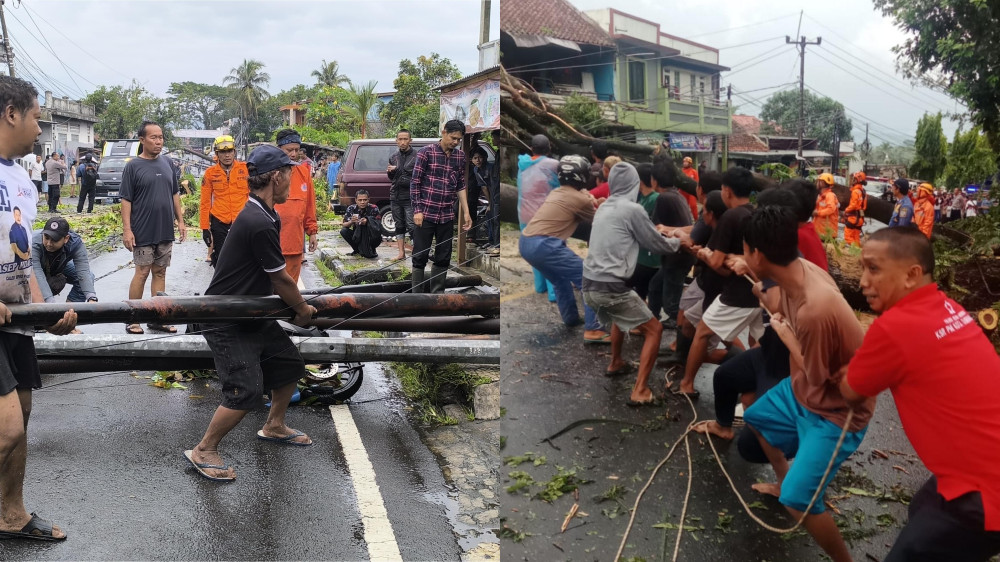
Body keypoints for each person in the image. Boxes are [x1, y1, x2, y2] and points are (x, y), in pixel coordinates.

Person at [840, 227, 1000, 561]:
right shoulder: (948, 307)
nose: (863, 282)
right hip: (978, 468)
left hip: (985, 492)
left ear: (912, 274)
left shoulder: (894, 327)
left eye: (874, 269)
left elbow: (851, 392)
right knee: (922, 505)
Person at [740, 205, 874, 562]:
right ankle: (787, 480)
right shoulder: (797, 271)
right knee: (755, 416)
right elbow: (775, 300)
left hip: (836, 412)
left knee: (799, 500)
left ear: (758, 253)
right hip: (803, 392)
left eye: (744, 249)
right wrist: (758, 291)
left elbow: (817, 376)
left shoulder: (816, 309)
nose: (743, 255)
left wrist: (786, 338)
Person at [185, 144, 318, 482]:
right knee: (245, 388)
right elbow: (279, 276)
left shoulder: (263, 213)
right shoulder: (257, 219)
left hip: (252, 311)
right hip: (226, 316)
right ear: (276, 175)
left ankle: (274, 425)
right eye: (289, 172)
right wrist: (302, 310)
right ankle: (204, 450)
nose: (292, 178)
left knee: (289, 366)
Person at [0, 74, 78, 542]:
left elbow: (23, 258)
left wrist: (47, 312)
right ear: (11, 113)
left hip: (13, 319)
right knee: (6, 427)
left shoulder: (21, 179)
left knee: (21, 417)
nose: (39, 127)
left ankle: (11, 515)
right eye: (35, 116)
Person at [582, 162, 682, 405]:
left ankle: (616, 362)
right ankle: (640, 391)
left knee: (619, 315)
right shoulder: (632, 209)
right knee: (655, 329)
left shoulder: (604, 208)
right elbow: (655, 244)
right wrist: (679, 242)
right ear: (634, 184)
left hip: (589, 286)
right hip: (610, 288)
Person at [675, 167, 762, 398]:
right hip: (761, 292)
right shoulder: (755, 213)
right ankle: (757, 388)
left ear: (726, 191)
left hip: (738, 293)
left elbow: (716, 262)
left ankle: (687, 384)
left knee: (702, 332)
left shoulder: (731, 216)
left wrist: (702, 254)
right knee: (758, 342)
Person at [521, 155, 604, 339]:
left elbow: (581, 197)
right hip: (544, 245)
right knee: (589, 278)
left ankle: (571, 318)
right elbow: (597, 219)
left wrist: (590, 199)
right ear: (581, 176)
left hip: (526, 242)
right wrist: (600, 204)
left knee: (559, 279)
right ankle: (594, 329)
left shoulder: (557, 192)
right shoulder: (580, 200)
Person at [120, 120, 187, 335]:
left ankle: (157, 319)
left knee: (160, 272)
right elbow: (126, 200)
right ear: (142, 140)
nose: (159, 142)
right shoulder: (133, 166)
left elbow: (175, 194)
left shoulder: (167, 163)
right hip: (142, 231)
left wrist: (181, 221)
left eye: (161, 137)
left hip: (164, 230)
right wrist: (127, 230)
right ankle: (133, 318)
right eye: (154, 137)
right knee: (142, 272)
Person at [410, 119, 472, 293]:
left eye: (459, 140)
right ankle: (416, 296)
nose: (455, 142)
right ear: (444, 132)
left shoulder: (459, 157)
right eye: (453, 138)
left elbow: (460, 184)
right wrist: (417, 210)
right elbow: (415, 183)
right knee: (420, 254)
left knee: (444, 255)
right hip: (425, 213)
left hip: (446, 213)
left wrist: (466, 212)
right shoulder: (426, 153)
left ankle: (437, 295)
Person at [517, 134, 560, 302]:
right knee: (550, 253)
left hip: (524, 216)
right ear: (549, 149)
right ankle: (554, 293)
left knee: (535, 252)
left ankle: (540, 286)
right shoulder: (553, 165)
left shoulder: (522, 164)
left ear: (531, 149)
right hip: (546, 217)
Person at [273, 129, 319, 283]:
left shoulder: (303, 173)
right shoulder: (269, 173)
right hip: (271, 244)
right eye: (289, 150)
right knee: (270, 290)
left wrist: (312, 232)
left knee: (290, 286)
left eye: (297, 150)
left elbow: (309, 206)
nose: (293, 154)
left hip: (294, 243)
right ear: (279, 149)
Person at [199, 135, 249, 267]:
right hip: (220, 221)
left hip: (242, 220)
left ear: (234, 152)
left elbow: (254, 196)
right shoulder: (210, 173)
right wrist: (205, 228)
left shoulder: (245, 169)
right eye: (222, 152)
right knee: (221, 259)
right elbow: (205, 202)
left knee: (244, 258)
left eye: (230, 151)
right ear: (217, 154)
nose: (227, 155)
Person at [31, 216, 97, 304]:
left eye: (54, 240)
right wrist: (50, 304)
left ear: (66, 239)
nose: (49, 244)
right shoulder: (33, 242)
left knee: (89, 277)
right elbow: (37, 273)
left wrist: (92, 298)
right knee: (37, 294)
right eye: (46, 238)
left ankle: (70, 311)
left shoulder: (75, 243)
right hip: (31, 272)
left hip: (57, 265)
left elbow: (83, 272)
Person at [626, 163, 659, 302]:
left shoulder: (654, 199)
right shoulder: (643, 198)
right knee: (639, 295)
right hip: (640, 257)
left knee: (634, 294)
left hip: (649, 259)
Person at [387, 128, 416, 260]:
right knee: (399, 225)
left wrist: (397, 169)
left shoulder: (417, 156)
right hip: (395, 196)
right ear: (396, 141)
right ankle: (401, 253)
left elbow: (417, 176)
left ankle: (418, 251)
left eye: (405, 139)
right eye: (400, 139)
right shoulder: (393, 157)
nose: (403, 142)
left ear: (410, 140)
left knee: (412, 225)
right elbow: (391, 177)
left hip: (410, 196)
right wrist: (390, 171)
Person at [471, 146, 500, 255]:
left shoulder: (491, 167)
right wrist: (489, 203)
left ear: (485, 158)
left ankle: (498, 245)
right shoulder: (476, 170)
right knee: (490, 216)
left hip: (497, 193)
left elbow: (493, 186)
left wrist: (492, 203)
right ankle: (492, 241)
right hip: (491, 196)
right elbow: (483, 187)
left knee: (496, 218)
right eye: (475, 158)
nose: (478, 160)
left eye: (480, 157)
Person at [340, 189, 381, 258]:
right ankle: (357, 249)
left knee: (377, 235)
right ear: (356, 200)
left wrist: (368, 222)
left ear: (368, 200)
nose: (362, 202)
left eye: (365, 200)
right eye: (360, 200)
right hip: (357, 234)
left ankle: (372, 248)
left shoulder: (374, 208)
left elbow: (378, 225)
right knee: (344, 231)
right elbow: (344, 224)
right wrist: (351, 221)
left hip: (370, 234)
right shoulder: (351, 208)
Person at [843, 171, 868, 246]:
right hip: (860, 218)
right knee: (856, 237)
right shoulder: (863, 192)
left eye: (854, 179)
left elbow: (853, 205)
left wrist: (846, 210)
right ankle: (857, 252)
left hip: (853, 218)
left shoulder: (855, 192)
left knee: (848, 237)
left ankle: (854, 251)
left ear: (858, 180)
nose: (852, 181)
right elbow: (864, 207)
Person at [813, 172, 839, 239]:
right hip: (820, 231)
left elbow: (831, 209)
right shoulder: (821, 196)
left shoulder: (830, 196)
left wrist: (817, 213)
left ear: (823, 183)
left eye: (819, 181)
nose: (817, 183)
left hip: (827, 233)